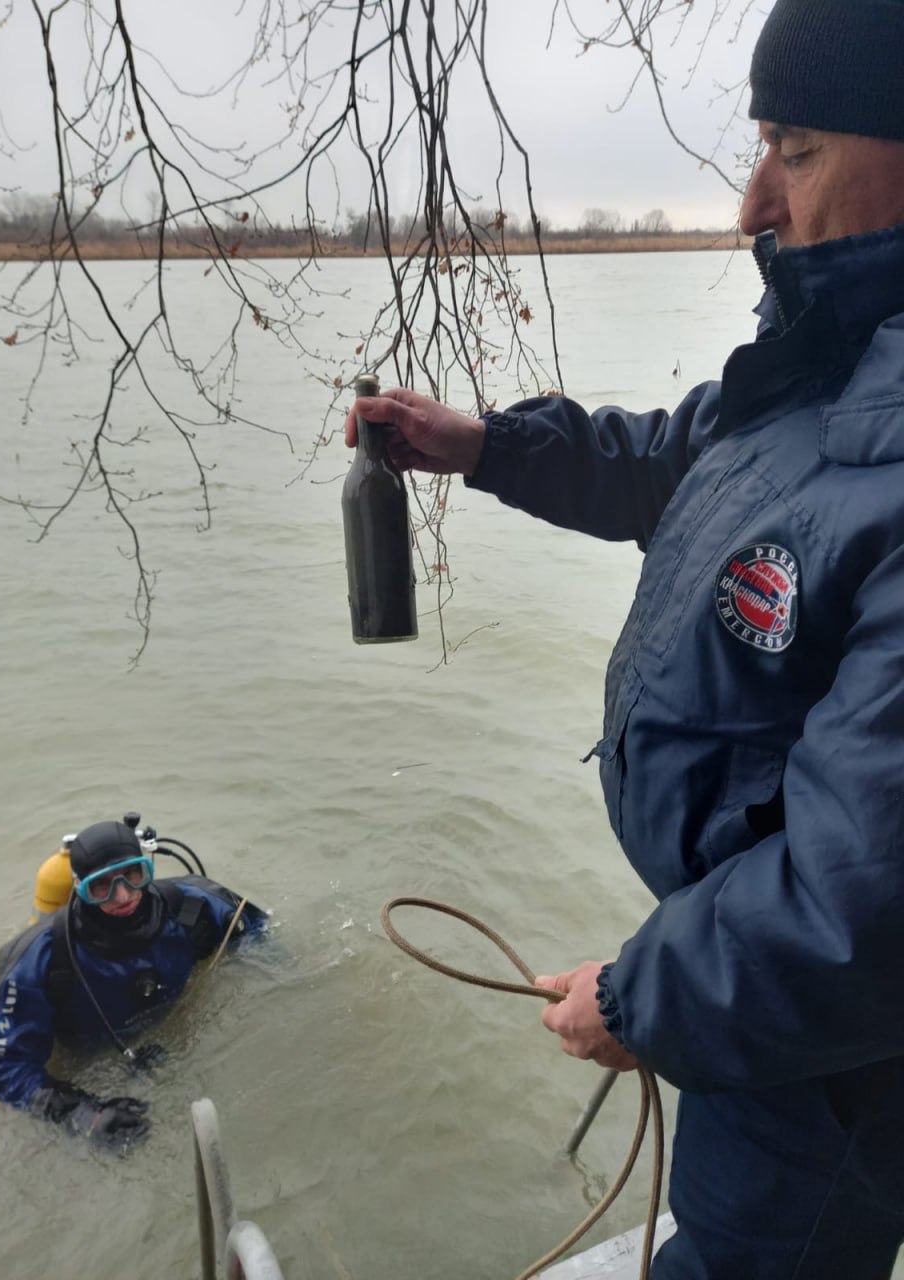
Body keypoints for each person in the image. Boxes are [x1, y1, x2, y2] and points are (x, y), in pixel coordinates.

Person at [346, 1, 904, 1274]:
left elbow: (863, 907)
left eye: (799, 147)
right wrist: (482, 445)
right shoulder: (821, 366)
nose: (753, 202)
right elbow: (671, 462)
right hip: (758, 1011)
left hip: (831, 1072)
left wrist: (641, 998)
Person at [0, 817, 268, 1154]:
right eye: (102, 886)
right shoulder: (39, 960)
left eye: (132, 876)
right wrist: (81, 1112)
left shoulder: (196, 905)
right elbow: (1, 1066)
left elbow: (265, 948)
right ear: (79, 888)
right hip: (87, 1052)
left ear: (146, 870)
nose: (124, 895)